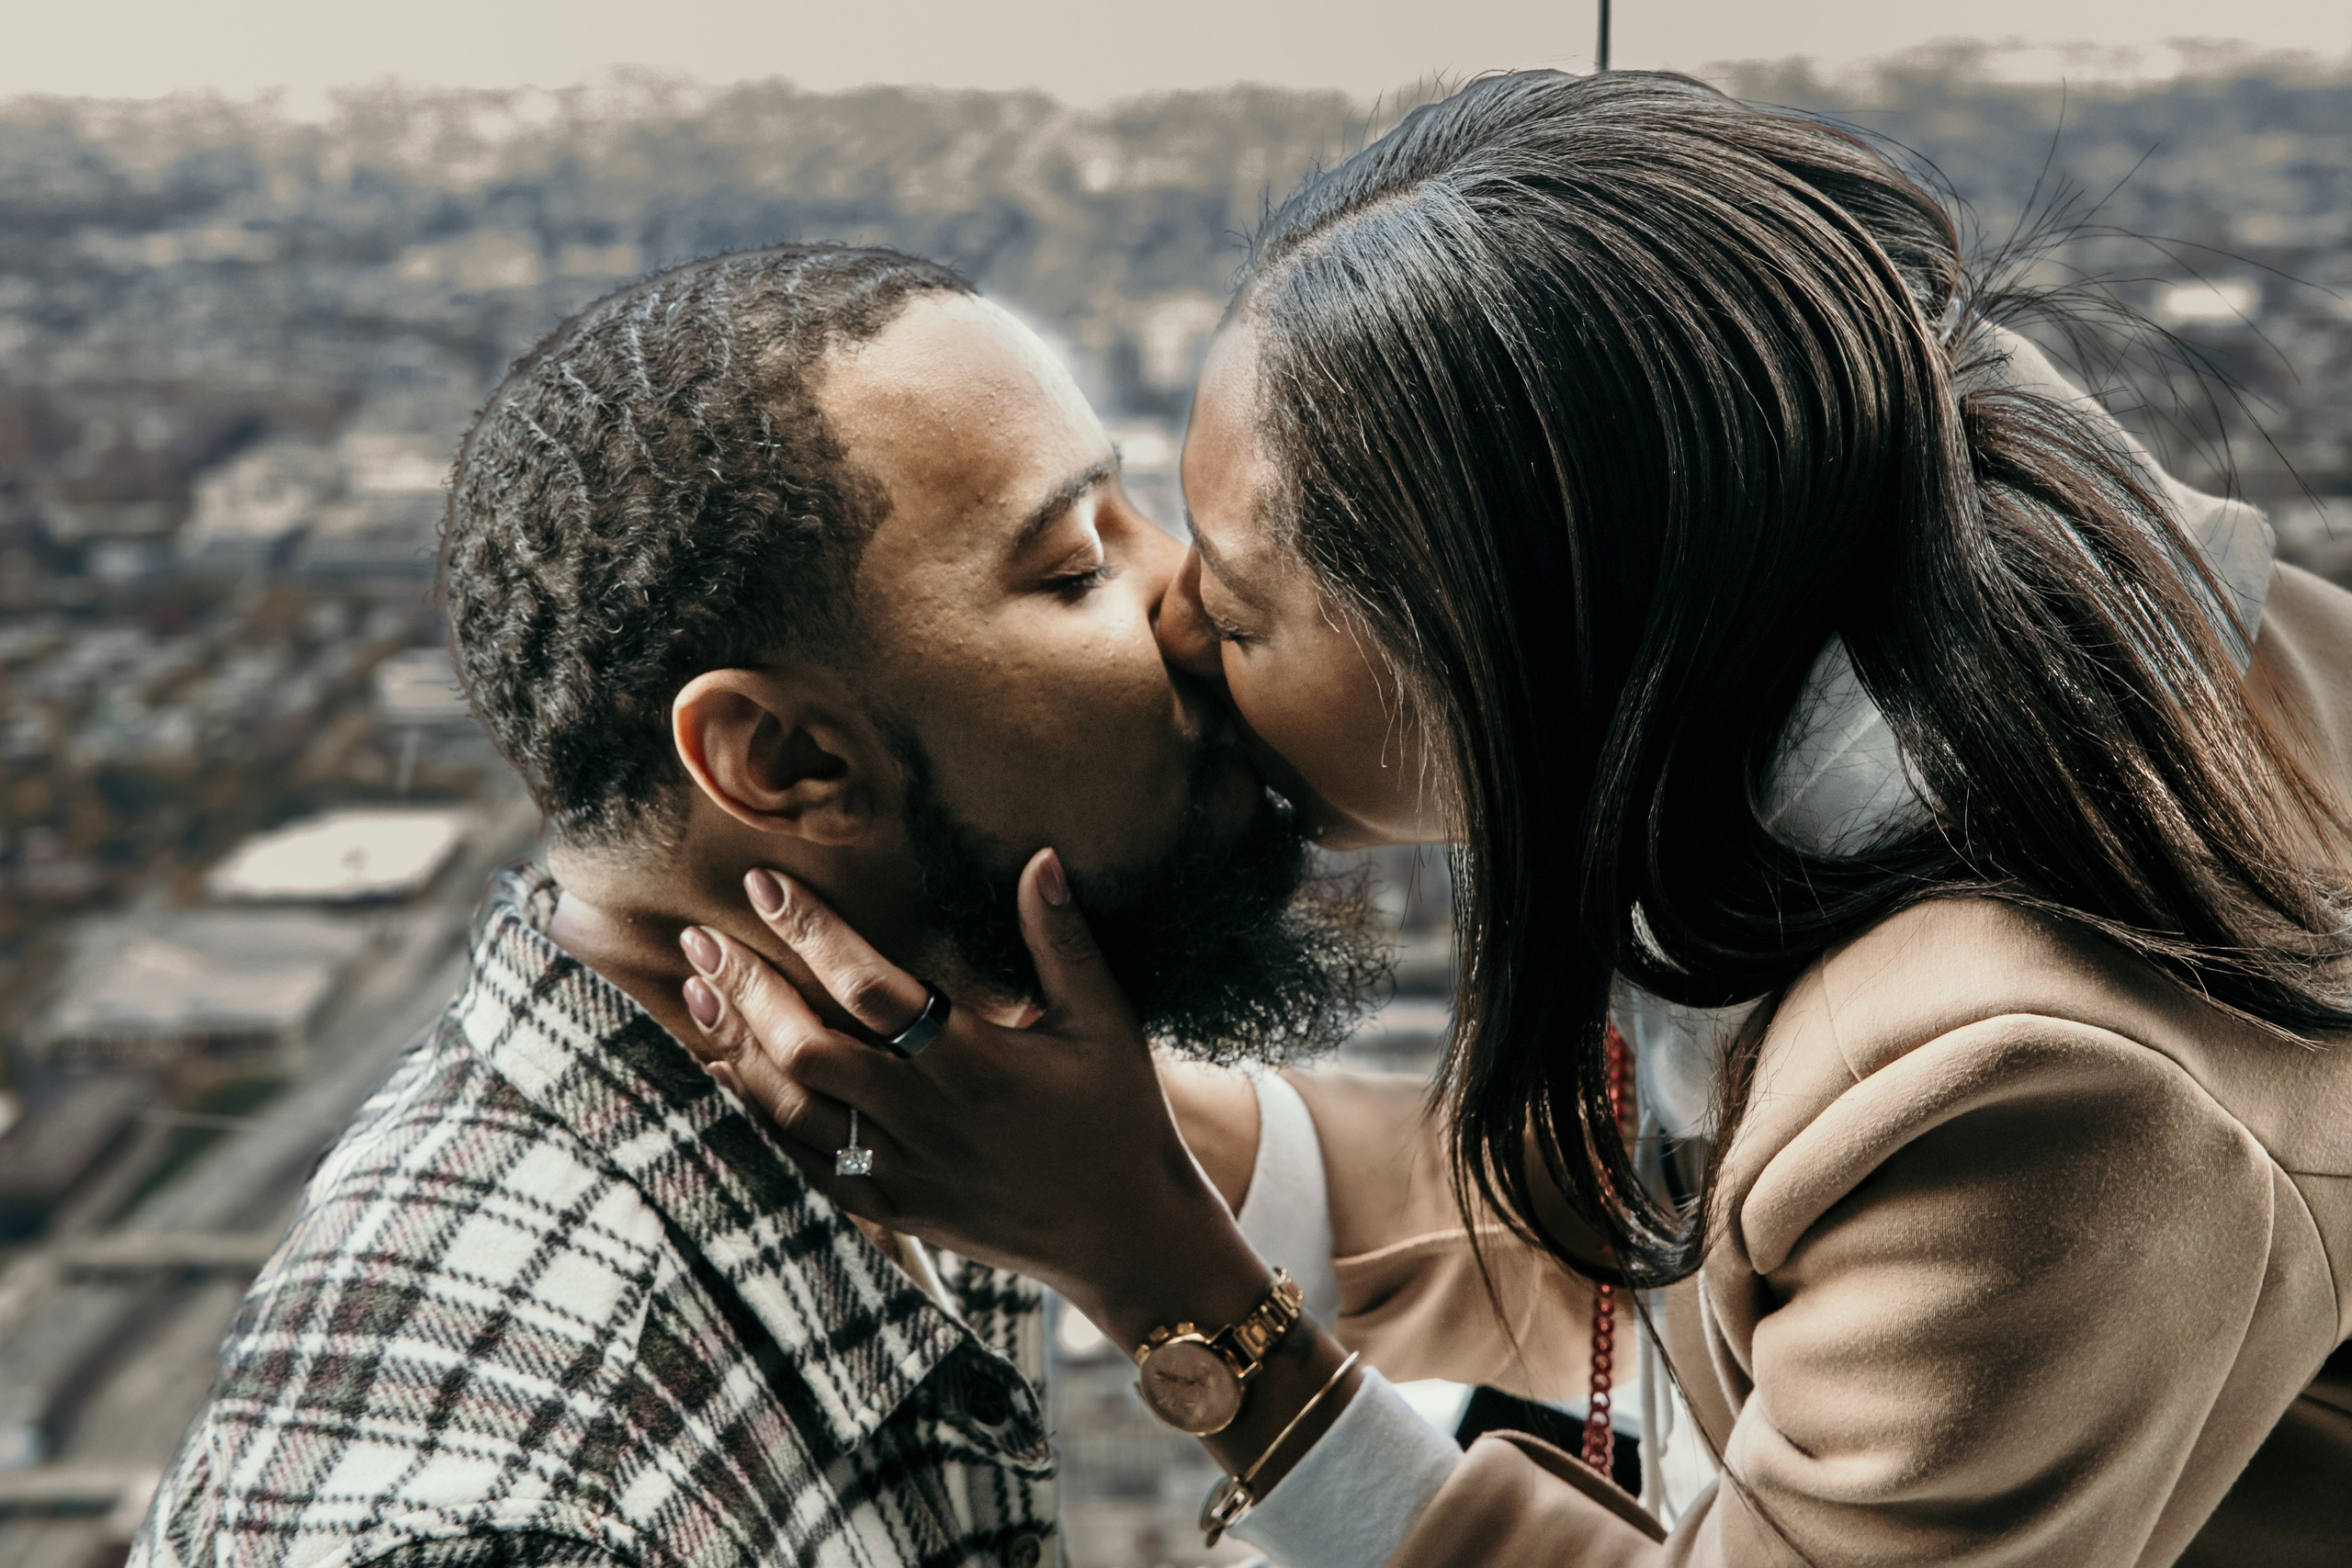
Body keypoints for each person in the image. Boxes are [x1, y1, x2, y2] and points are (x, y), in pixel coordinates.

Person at [684, 72, 2352, 1566]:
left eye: (1246, 602)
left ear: (1514, 645)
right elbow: (1703, 1223)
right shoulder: (1940, 646)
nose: (1174, 629)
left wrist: (1170, 1291)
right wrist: (1113, 1147)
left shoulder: (2030, 1089)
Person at [131, 242, 1501, 1568]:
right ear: (788, 765)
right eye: (1078, 569)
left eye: (1127, 510)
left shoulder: (917, 1104)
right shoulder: (520, 1520)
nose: (1192, 607)